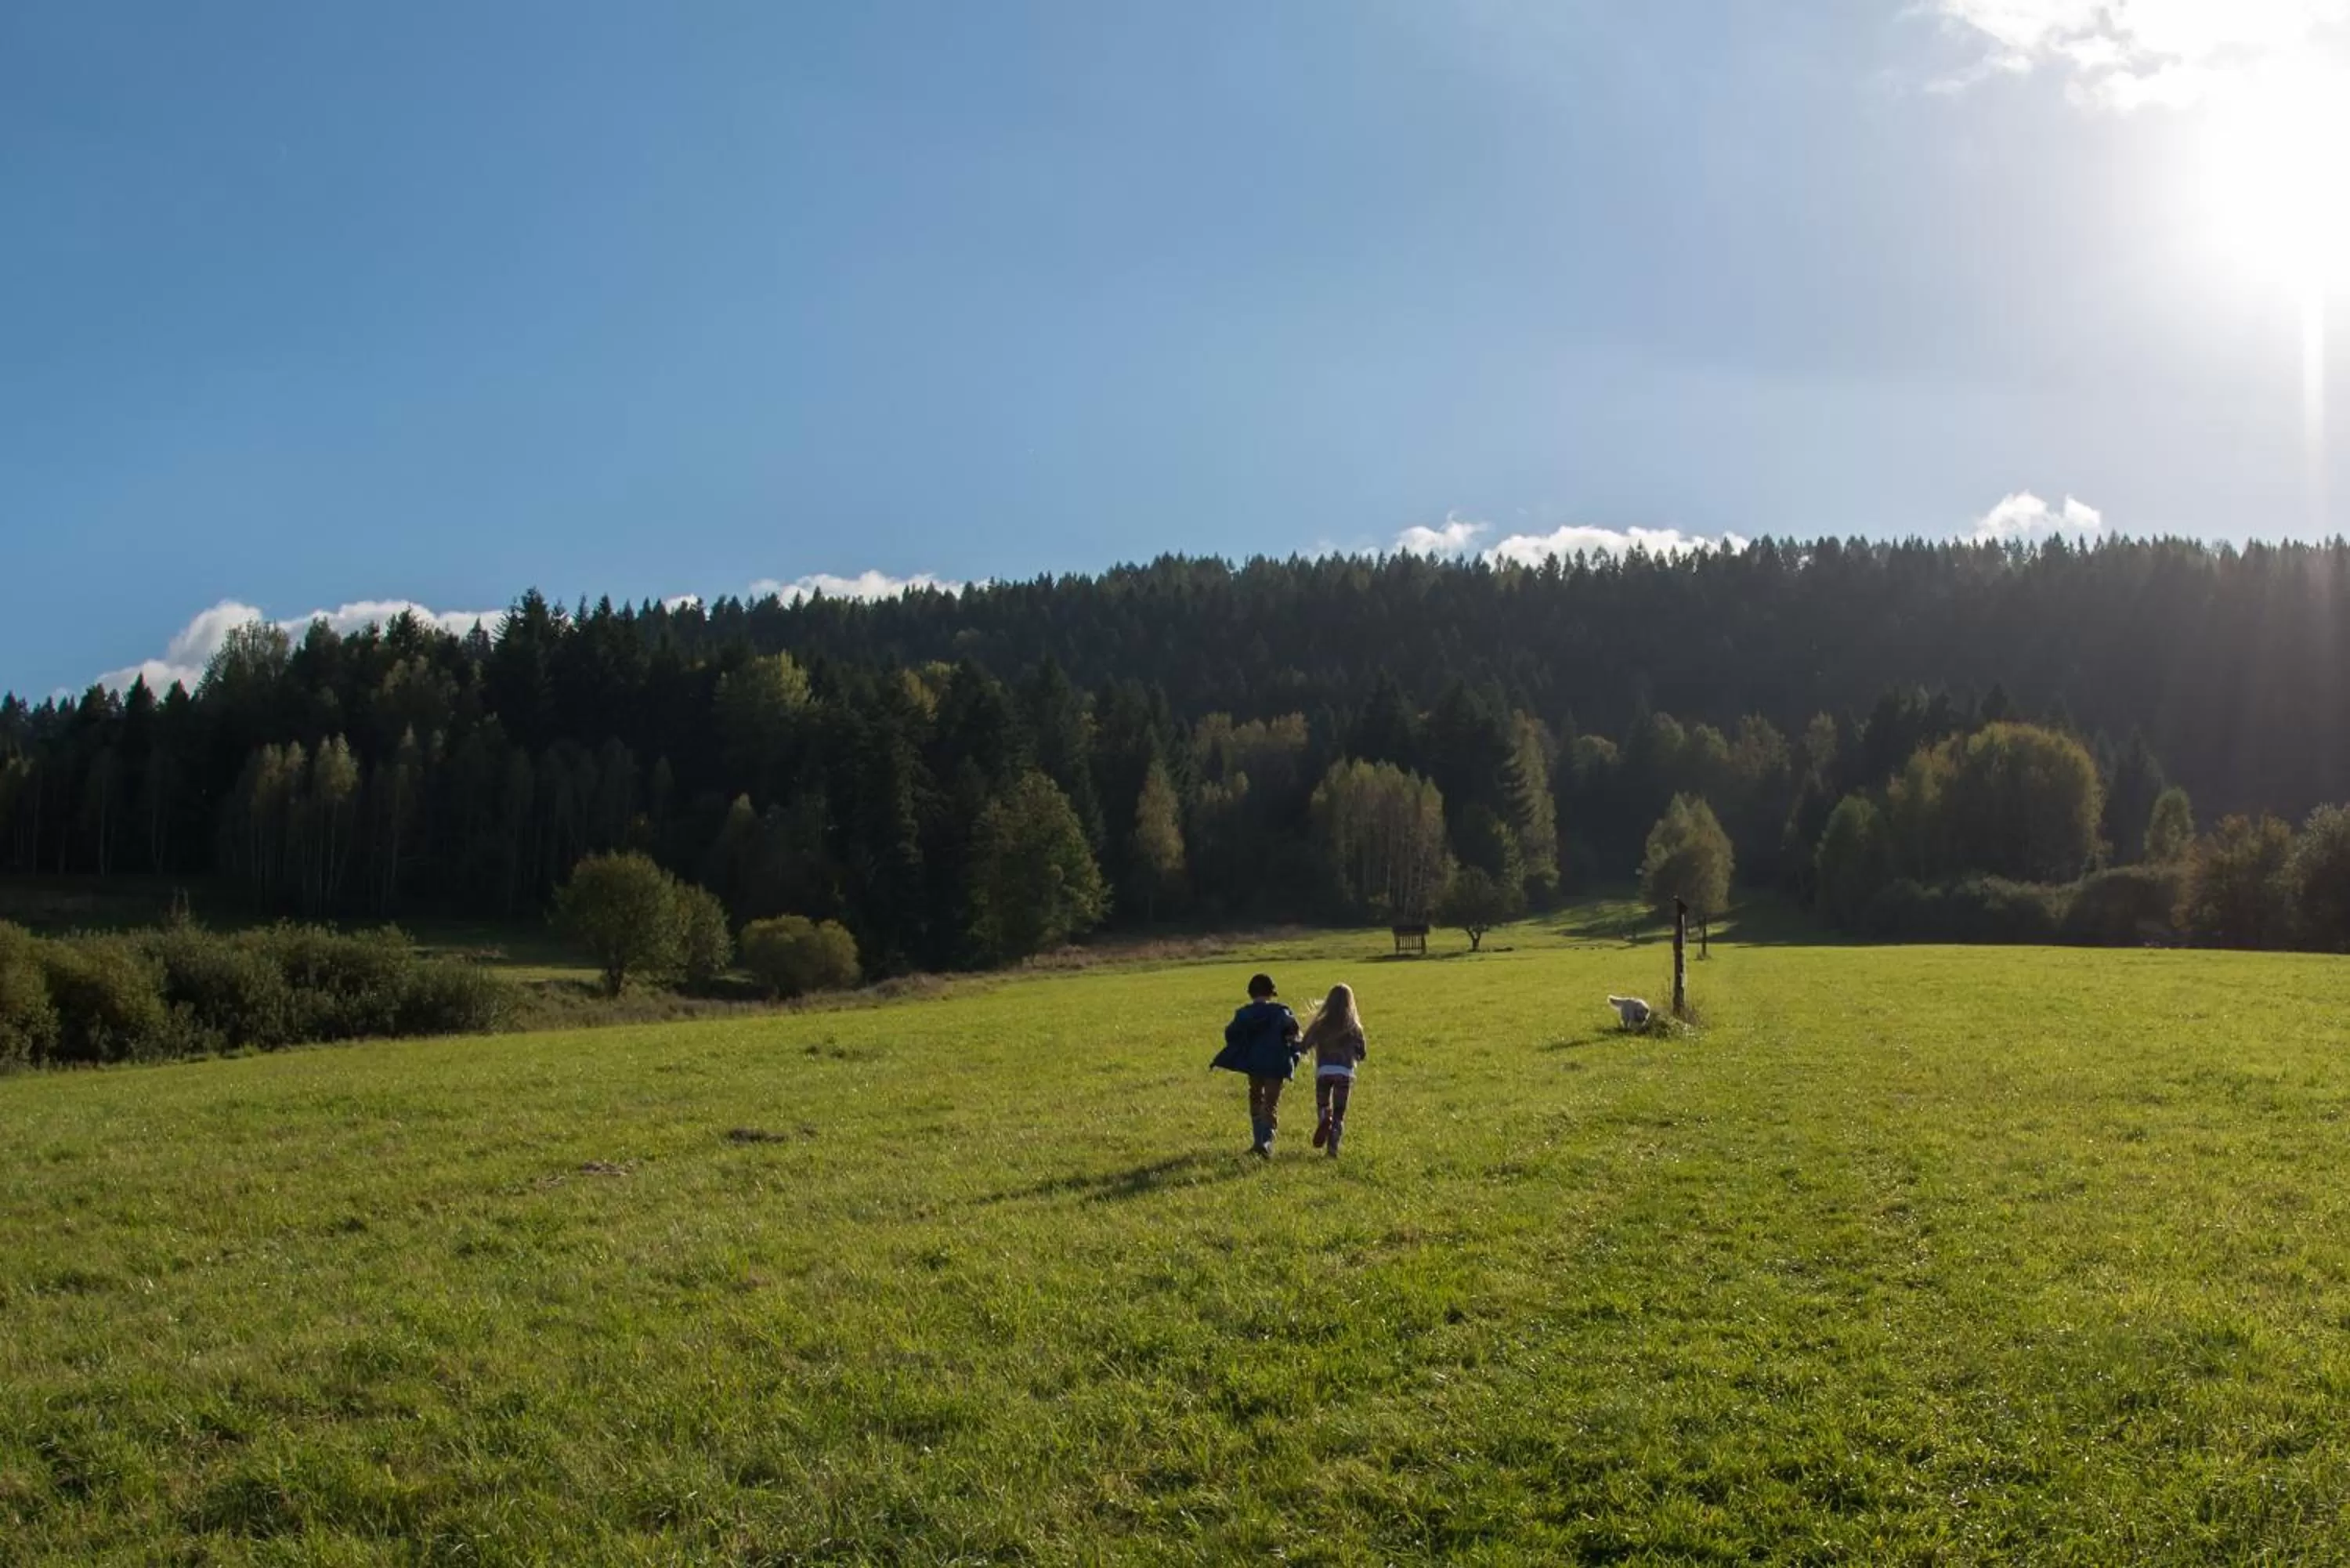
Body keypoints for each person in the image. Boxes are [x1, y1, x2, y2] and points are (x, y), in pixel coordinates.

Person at [1211, 972, 1301, 1158]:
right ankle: (1267, 1142)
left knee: (1255, 1097)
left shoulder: (1243, 1014)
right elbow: (1293, 1030)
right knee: (1271, 1102)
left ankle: (1258, 1141)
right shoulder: (1281, 1011)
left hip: (1254, 1063)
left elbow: (1230, 1034)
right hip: (1276, 1064)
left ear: (1251, 993)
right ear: (1271, 993)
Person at [1300, 983, 1368, 1158]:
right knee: (1339, 1112)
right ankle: (1332, 1149)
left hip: (1323, 1072)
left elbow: (1304, 1046)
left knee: (1323, 1105)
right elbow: (1362, 1054)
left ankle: (1324, 1119)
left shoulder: (1320, 1025)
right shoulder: (1354, 1027)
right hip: (1344, 1073)